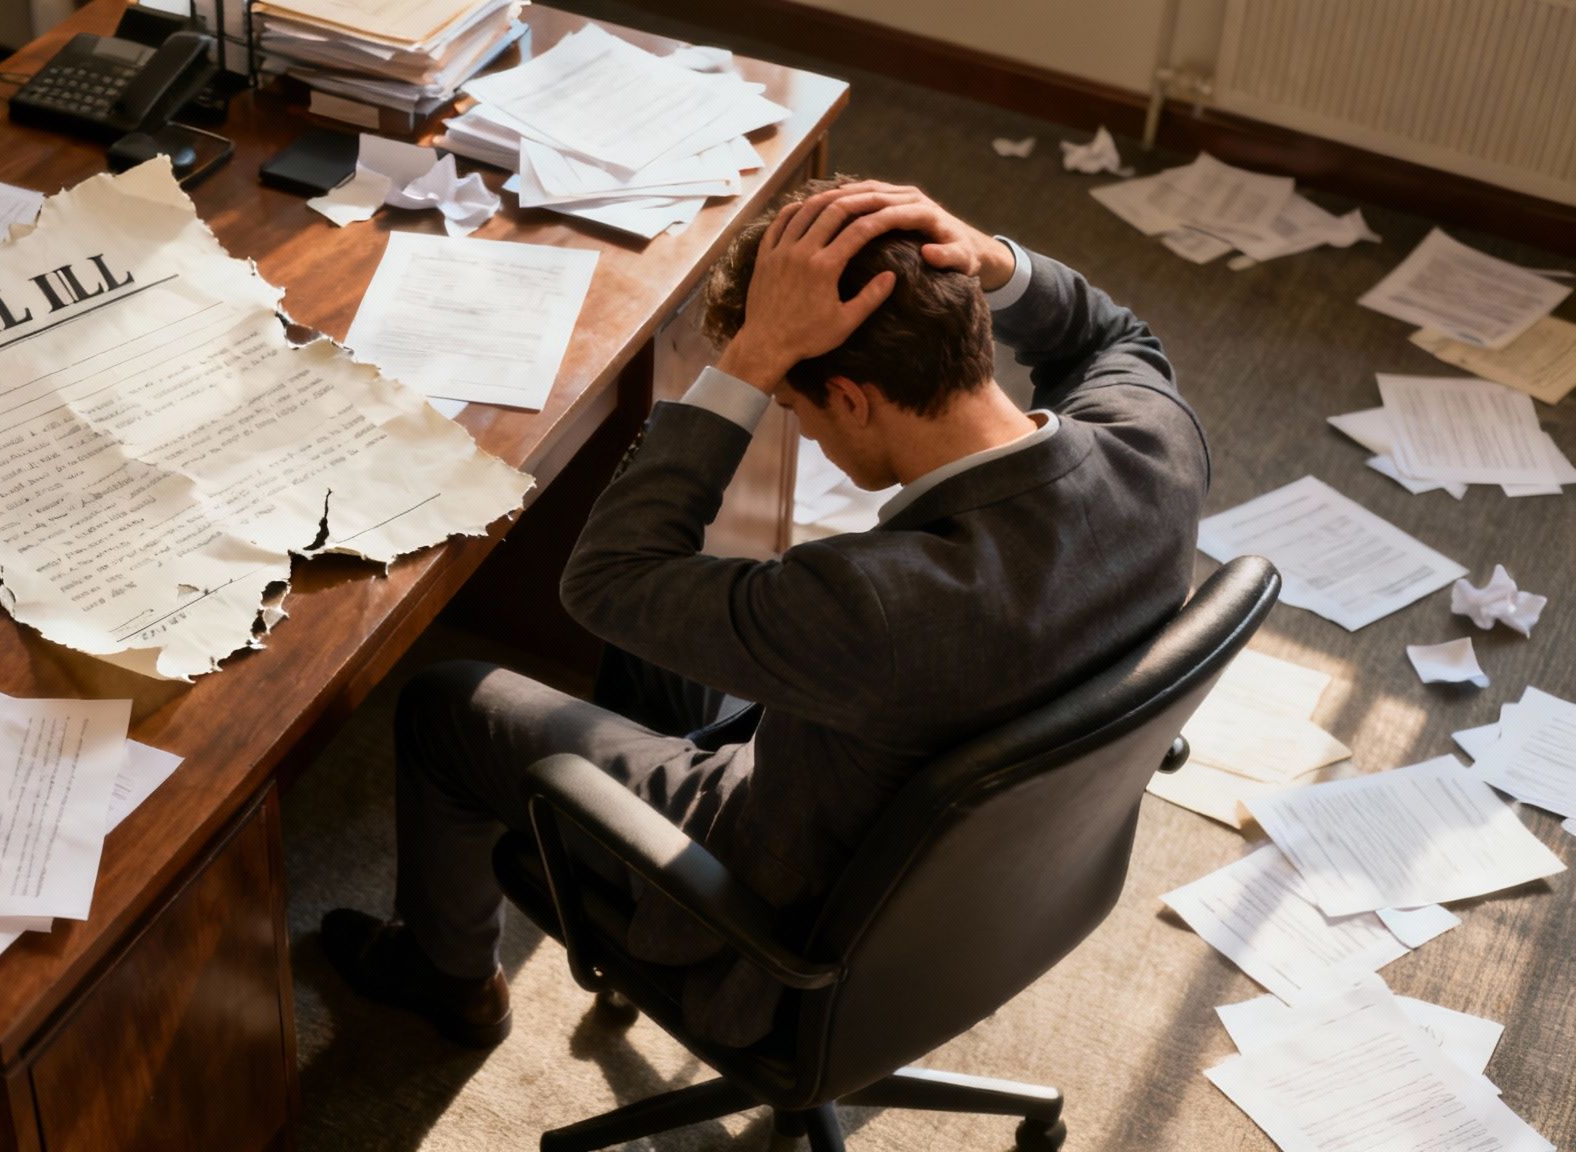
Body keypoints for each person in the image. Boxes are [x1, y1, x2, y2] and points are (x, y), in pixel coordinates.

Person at [321, 179, 1212, 1048]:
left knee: (447, 703)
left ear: (852, 397)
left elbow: (603, 581)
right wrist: (988, 255)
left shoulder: (873, 603)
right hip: (994, 867)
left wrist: (748, 360)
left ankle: (449, 978)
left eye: (794, 408)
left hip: (773, 917)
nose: (803, 429)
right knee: (671, 625)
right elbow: (1112, 333)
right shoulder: (1155, 449)